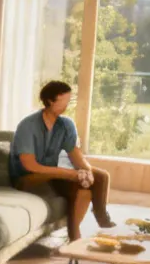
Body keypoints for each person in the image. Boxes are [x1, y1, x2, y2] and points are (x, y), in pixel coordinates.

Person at [12, 81, 113, 241]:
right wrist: (69, 174)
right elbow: (30, 165)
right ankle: (74, 236)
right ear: (51, 101)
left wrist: (86, 171)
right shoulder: (28, 125)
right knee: (75, 181)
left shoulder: (66, 124)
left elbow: (75, 154)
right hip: (28, 177)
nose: (67, 104)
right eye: (64, 100)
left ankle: (100, 218)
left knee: (100, 176)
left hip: (51, 174)